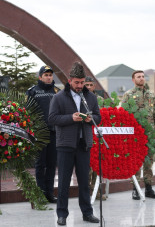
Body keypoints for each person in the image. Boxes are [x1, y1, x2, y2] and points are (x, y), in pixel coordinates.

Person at [49, 62, 101, 225]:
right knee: (64, 181)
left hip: (84, 143)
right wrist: (71, 118)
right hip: (65, 144)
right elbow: (52, 119)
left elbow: (98, 118)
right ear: (70, 80)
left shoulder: (91, 97)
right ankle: (62, 214)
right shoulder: (58, 97)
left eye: (82, 82)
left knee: (84, 181)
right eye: (77, 82)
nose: (80, 86)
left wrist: (89, 119)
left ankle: (87, 212)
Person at [121, 70, 155, 200]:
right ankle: (136, 189)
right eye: (138, 77)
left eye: (143, 77)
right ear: (133, 80)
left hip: (149, 133)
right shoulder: (128, 95)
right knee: (136, 161)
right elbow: (123, 115)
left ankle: (149, 188)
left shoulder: (151, 95)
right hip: (135, 134)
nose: (141, 78)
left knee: (149, 161)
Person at [26, 65, 60, 203]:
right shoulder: (33, 91)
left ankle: (49, 193)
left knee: (52, 164)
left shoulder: (57, 91)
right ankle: (40, 194)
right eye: (45, 75)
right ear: (40, 77)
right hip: (39, 134)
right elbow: (28, 112)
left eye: (50, 75)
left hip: (54, 132)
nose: (48, 77)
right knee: (40, 164)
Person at [84, 76, 107, 201]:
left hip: (98, 135)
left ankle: (97, 190)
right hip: (86, 135)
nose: (88, 87)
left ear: (94, 86)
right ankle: (87, 191)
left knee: (97, 165)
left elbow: (104, 117)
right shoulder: (80, 98)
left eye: (90, 85)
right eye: (86, 85)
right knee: (87, 166)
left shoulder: (100, 100)